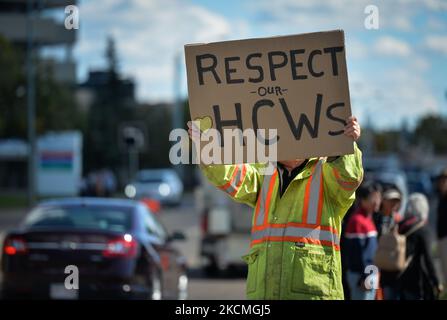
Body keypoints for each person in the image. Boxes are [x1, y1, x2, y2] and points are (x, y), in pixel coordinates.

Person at [188, 116, 363, 300]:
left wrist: (344, 145)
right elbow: (230, 175)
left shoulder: (327, 171)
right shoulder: (264, 171)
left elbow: (349, 177)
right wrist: (207, 148)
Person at [397, 193, 443, 300]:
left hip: (400, 279)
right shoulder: (423, 229)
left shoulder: (400, 226)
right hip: (418, 282)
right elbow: (429, 258)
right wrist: (436, 281)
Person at [344, 182, 382, 300]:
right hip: (362, 276)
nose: (376, 202)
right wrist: (365, 276)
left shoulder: (368, 218)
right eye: (373, 198)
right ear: (363, 200)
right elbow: (358, 254)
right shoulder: (357, 221)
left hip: (370, 274)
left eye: (378, 197)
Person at [373, 188, 402, 300]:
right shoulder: (375, 217)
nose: (394, 203)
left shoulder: (398, 219)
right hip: (376, 261)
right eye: (391, 200)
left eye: (396, 201)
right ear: (383, 201)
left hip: (391, 265)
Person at [436, 169, 447, 289]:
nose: (443, 183)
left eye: (445, 180)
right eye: (441, 181)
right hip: (442, 238)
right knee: (444, 270)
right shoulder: (441, 197)